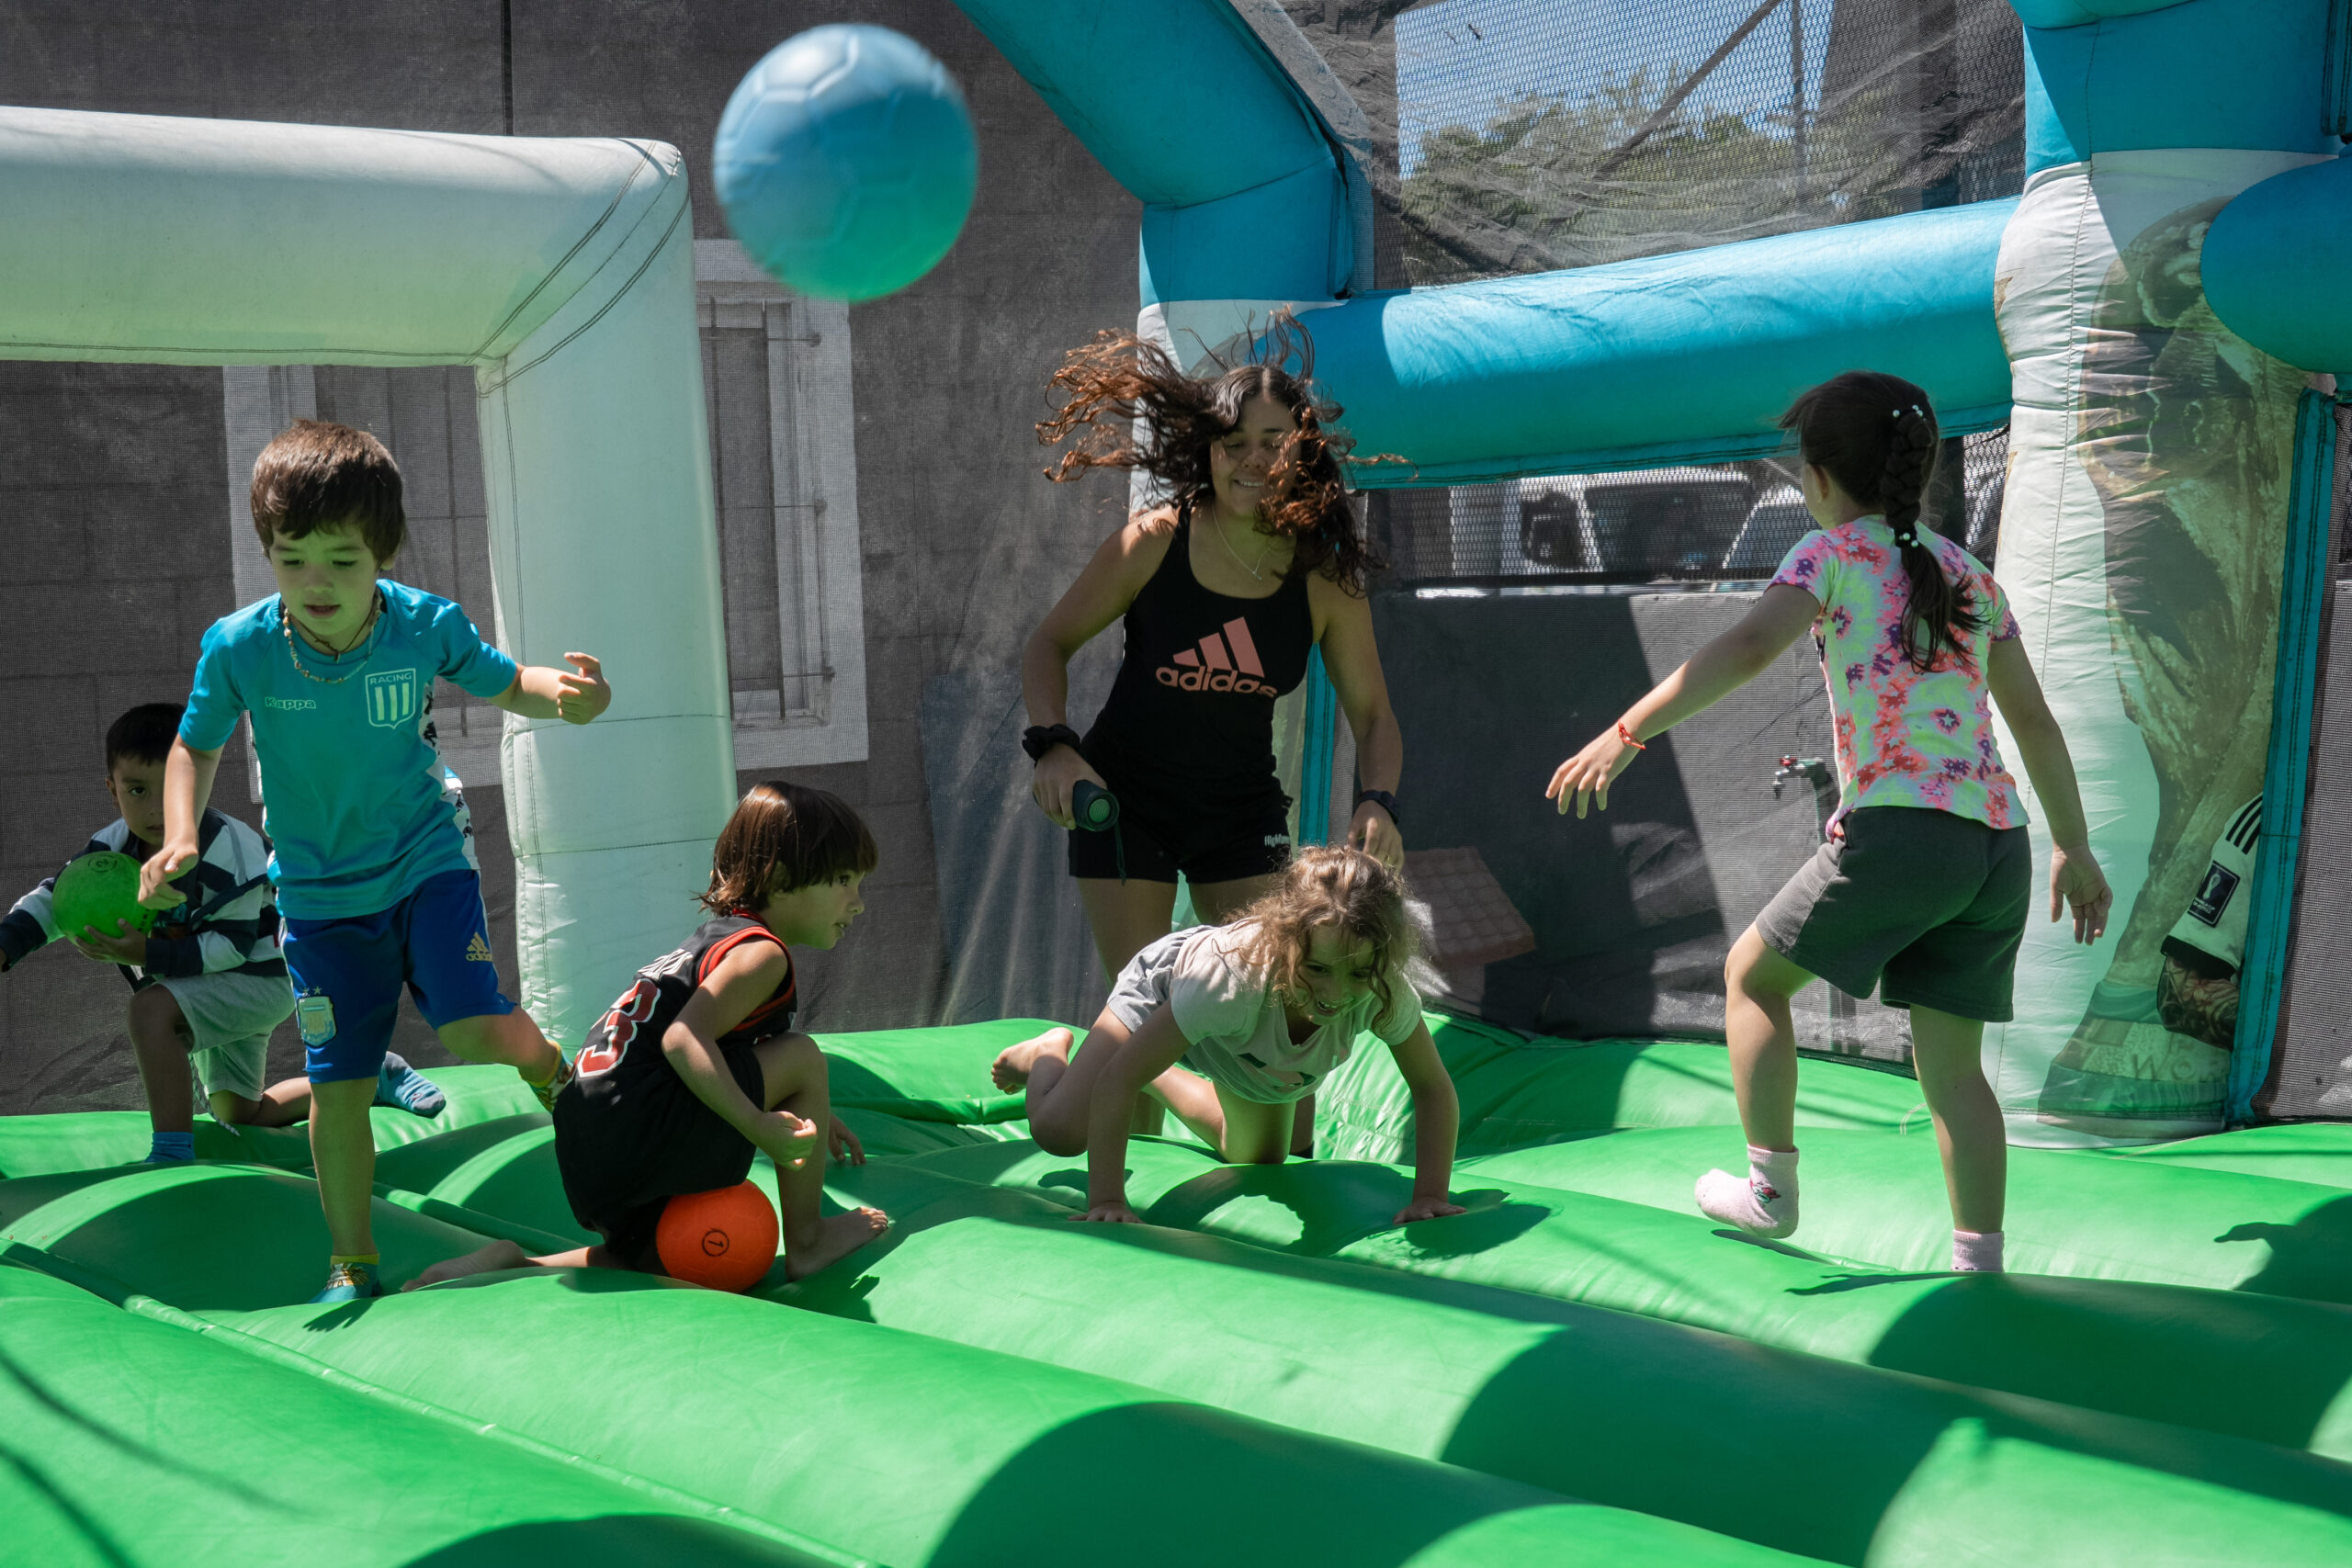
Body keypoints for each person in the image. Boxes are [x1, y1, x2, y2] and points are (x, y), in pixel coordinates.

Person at [1545, 371, 2114, 1275]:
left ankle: (1769, 1192)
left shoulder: (1831, 555)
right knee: (1953, 1069)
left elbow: (1746, 647)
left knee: (1751, 978)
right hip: (1996, 847)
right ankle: (1979, 1259)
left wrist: (1626, 734)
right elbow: (2035, 724)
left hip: (1903, 833)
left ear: (1815, 477)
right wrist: (2074, 846)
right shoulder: (1969, 574)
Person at [138, 419, 611, 1303]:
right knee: (340, 1085)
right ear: (269, 552)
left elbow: (509, 681)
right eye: (293, 559)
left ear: (383, 554)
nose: (316, 581)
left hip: (424, 856)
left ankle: (546, 1065)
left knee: (469, 1028)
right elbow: (193, 746)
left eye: (342, 560)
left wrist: (567, 696)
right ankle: (351, 1257)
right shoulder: (240, 646)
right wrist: (180, 835)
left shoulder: (423, 625)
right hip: (319, 895)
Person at [1022, 317, 1407, 1144]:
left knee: (1282, 1140)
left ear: (1303, 453)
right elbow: (1047, 645)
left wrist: (1379, 800)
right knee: (1073, 1123)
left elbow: (1375, 716)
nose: (1252, 461)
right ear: (1207, 450)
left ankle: (1149, 1074)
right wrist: (1053, 743)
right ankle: (1054, 1056)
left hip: (1239, 813)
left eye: (1273, 443)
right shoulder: (1154, 541)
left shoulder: (1321, 576)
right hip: (1123, 807)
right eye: (1234, 443)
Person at [408, 782, 888, 1292]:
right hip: (640, 1128)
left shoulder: (715, 941)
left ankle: (516, 1265)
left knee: (647, 1256)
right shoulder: (761, 955)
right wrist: (758, 1124)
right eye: (843, 881)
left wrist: (812, 1107)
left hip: (589, 1140)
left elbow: (719, 1047)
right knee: (803, 1055)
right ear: (782, 878)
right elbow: (684, 1039)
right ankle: (809, 1241)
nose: (857, 903)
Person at [1, 703, 441, 1163]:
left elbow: (232, 946)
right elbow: (56, 899)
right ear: (113, 791)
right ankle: (372, 1076)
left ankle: (172, 1152)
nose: (155, 808)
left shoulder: (228, 848)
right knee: (240, 1112)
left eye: (172, 789)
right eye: (137, 790)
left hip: (260, 978)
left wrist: (146, 953)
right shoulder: (110, 851)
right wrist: (6, 945)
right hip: (199, 981)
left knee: (151, 1011)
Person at [990, 847, 1464, 1227]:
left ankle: (1154, 1070)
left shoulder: (1382, 990)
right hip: (1168, 989)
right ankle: (1046, 1053)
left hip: (1235, 1038)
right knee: (1059, 1131)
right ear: (1284, 942)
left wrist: (1429, 1195)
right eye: (1318, 969)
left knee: (1255, 1157)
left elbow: (1431, 1086)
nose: (1335, 994)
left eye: (1357, 973)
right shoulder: (1228, 982)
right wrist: (1108, 1200)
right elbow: (1117, 1079)